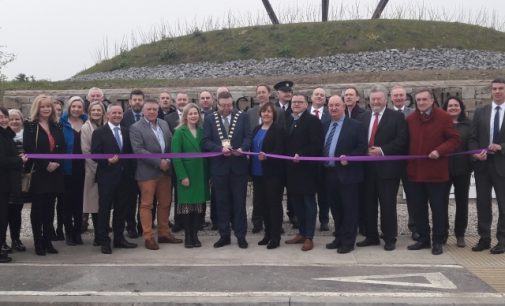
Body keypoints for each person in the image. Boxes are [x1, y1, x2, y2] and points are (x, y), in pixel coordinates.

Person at [406, 89, 459, 255]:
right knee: (418, 208)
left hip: (437, 173)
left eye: (424, 99)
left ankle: (438, 240)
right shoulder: (410, 119)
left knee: (438, 208)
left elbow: (454, 139)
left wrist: (439, 150)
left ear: (431, 100)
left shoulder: (443, 117)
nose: (421, 103)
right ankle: (423, 238)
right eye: (418, 100)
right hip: (416, 172)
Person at [355, 85, 408, 251]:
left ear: (386, 100)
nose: (375, 102)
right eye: (373, 99)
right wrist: (364, 151)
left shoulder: (396, 117)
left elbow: (402, 140)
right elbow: (358, 140)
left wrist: (382, 151)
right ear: (369, 101)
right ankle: (372, 236)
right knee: (368, 205)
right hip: (367, 169)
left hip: (387, 169)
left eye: (378, 99)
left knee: (387, 205)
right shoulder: (362, 118)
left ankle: (390, 238)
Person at [130, 99, 182, 250]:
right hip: (147, 173)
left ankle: (164, 233)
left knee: (165, 203)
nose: (152, 112)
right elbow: (138, 150)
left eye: (154, 109)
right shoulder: (136, 128)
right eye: (149, 109)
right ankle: (148, 237)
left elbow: (170, 144)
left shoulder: (164, 123)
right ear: (144, 111)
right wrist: (159, 162)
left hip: (165, 172)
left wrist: (168, 160)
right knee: (147, 205)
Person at [202, 91, 251, 249]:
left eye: (229, 105)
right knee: (222, 202)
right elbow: (205, 142)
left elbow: (248, 137)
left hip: (238, 167)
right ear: (217, 104)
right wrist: (218, 149)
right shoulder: (210, 119)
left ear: (232, 103)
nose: (226, 108)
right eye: (223, 105)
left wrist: (242, 148)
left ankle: (241, 235)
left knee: (239, 202)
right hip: (219, 168)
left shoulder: (242, 117)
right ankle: (224, 235)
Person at [323, 95, 367, 254]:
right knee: (336, 209)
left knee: (349, 209)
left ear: (343, 107)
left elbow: (362, 148)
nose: (333, 108)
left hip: (348, 174)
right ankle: (339, 237)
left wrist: (350, 158)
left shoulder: (356, 125)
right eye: (331, 106)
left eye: (337, 105)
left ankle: (349, 241)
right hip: (329, 173)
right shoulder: (325, 124)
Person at [91, 103, 138, 254]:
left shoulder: (126, 131)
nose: (117, 115)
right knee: (104, 210)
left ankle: (119, 238)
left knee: (121, 209)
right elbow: (94, 154)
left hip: (124, 178)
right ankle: (104, 240)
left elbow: (130, 154)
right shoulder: (99, 132)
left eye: (120, 113)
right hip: (107, 177)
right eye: (114, 113)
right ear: (108, 115)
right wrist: (107, 161)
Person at [24, 94, 66, 256]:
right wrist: (46, 164)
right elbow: (30, 148)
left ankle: (48, 241)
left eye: (48, 106)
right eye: (43, 106)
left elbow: (62, 147)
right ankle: (38, 243)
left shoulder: (57, 125)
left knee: (50, 209)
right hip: (39, 173)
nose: (46, 109)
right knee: (38, 210)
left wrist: (56, 163)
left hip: (55, 173)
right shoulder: (30, 126)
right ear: (37, 108)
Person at [469, 78, 505, 254]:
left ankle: (503, 240)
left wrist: (501, 147)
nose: (497, 91)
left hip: (502, 165)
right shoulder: (481, 112)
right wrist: (475, 152)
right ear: (491, 91)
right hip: (482, 165)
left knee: (503, 204)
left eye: (501, 88)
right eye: (494, 89)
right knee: (482, 204)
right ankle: (484, 238)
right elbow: (473, 137)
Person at [284, 94, 324, 252]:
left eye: (300, 102)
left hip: (307, 170)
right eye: (294, 102)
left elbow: (317, 144)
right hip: (291, 171)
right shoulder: (288, 120)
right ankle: (301, 232)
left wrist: (301, 154)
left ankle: (309, 236)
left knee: (308, 203)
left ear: (306, 104)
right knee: (296, 203)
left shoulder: (313, 121)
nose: (296, 104)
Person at [247, 84, 285, 234]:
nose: (266, 114)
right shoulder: (257, 128)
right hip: (257, 171)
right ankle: (264, 230)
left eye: (269, 112)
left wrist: (268, 157)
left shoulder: (278, 128)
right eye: (264, 112)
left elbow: (281, 148)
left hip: (272, 172)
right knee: (260, 201)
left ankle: (274, 232)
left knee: (273, 203)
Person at [171, 103, 210, 248]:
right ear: (185, 116)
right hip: (187, 175)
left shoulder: (201, 131)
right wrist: (182, 176)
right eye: (191, 114)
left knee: (198, 207)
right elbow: (176, 156)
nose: (194, 116)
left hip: (200, 174)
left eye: (196, 113)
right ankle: (188, 236)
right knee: (187, 207)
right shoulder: (179, 132)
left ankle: (195, 235)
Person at [442, 96, 472, 248]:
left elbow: (472, 145)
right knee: (441, 203)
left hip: (463, 169)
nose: (453, 108)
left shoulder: (468, 125)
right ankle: (443, 233)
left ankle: (460, 234)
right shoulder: (441, 125)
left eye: (456, 105)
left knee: (462, 203)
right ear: (445, 108)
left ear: (461, 108)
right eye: (450, 106)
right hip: (443, 169)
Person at [389, 84, 417, 241]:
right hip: (391, 162)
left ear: (406, 97)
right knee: (388, 198)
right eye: (396, 95)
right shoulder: (385, 114)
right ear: (391, 97)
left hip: (409, 161)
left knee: (413, 197)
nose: (399, 98)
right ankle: (389, 229)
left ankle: (415, 227)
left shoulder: (413, 114)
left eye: (401, 95)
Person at [0, 107, 27, 263]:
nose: (3, 120)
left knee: (5, 216)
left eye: (4, 117)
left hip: (8, 183)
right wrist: (19, 160)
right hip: (3, 182)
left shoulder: (6, 135)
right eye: (1, 117)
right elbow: (2, 160)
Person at [60, 96, 88, 246]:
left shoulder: (87, 122)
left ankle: (78, 232)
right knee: (67, 203)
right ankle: (69, 233)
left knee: (79, 203)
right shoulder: (61, 124)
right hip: (67, 169)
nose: (76, 109)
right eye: (73, 106)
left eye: (79, 107)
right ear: (69, 108)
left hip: (83, 169)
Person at [81, 101, 107, 246]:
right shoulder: (86, 128)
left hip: (108, 171)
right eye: (94, 110)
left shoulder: (106, 125)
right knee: (95, 205)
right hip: (93, 171)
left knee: (104, 204)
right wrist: (99, 168)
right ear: (89, 112)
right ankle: (98, 235)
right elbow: (86, 151)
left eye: (99, 110)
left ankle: (103, 233)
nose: (96, 112)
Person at [121, 89, 145, 239]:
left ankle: (144, 225)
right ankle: (130, 226)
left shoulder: (149, 115)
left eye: (140, 100)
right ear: (129, 102)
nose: (137, 102)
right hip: (129, 165)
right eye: (134, 100)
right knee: (130, 198)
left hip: (146, 164)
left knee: (147, 197)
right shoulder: (123, 117)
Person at [165, 92, 190, 233]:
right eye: (179, 100)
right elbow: (168, 139)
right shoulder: (168, 118)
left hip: (191, 161)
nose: (181, 102)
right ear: (176, 101)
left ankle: (193, 219)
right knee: (178, 192)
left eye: (184, 99)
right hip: (176, 161)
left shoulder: (194, 116)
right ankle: (178, 220)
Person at [310, 88, 331, 232]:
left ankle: (324, 220)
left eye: (322, 95)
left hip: (324, 160)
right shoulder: (304, 114)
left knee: (324, 192)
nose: (319, 97)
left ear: (325, 99)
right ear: (311, 97)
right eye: (316, 94)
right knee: (308, 192)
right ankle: (308, 220)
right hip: (307, 160)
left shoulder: (330, 115)